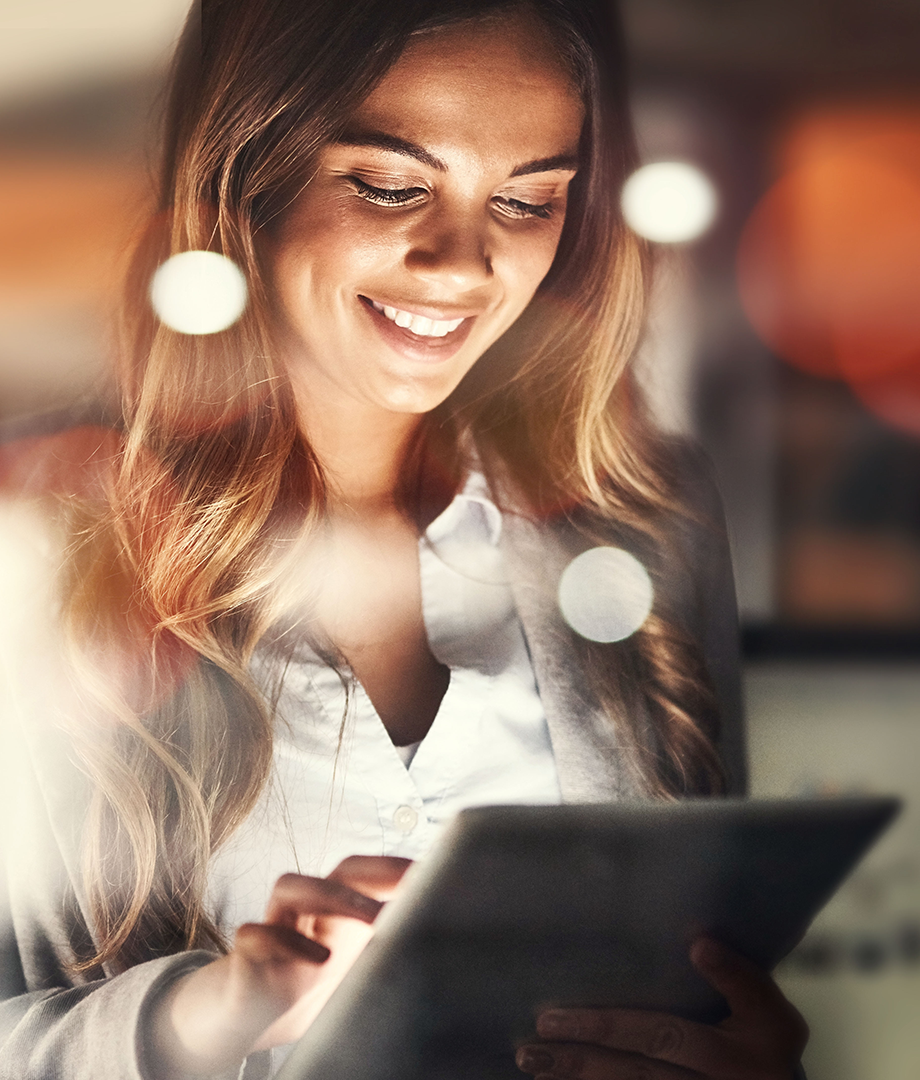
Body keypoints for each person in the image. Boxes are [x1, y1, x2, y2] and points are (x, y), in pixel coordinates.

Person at [0, 0, 808, 1077]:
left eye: (526, 199)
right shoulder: (39, 525)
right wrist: (205, 1015)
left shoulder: (650, 517)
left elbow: (705, 972)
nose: (462, 265)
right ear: (248, 170)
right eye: (388, 185)